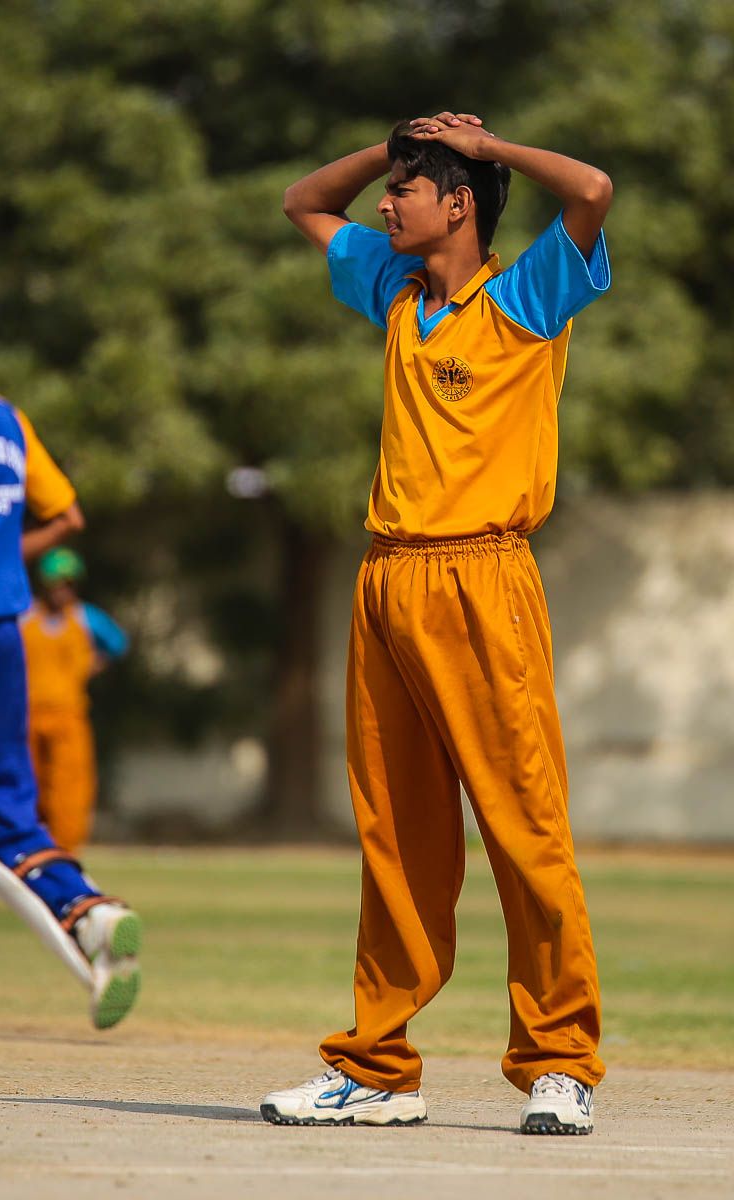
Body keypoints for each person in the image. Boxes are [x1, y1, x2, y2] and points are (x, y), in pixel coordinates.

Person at [261, 111, 612, 1134]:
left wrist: (489, 149)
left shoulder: (526, 295)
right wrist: (394, 144)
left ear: (458, 206)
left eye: (405, 189)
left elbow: (590, 189)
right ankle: (377, 1069)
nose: (384, 203)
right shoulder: (395, 289)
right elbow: (302, 201)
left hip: (484, 580)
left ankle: (560, 1063)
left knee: (524, 827)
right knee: (395, 835)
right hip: (387, 582)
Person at [0, 290, 141, 1037]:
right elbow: (67, 513)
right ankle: (90, 911)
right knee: (1, 809)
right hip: (0, 639)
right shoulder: (6, 419)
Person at [21, 548, 128, 854]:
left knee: (69, 788)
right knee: (29, 785)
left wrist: (92, 665)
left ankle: (64, 851)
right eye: (55, 583)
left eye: (67, 584)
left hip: (69, 714)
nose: (61, 590)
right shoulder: (25, 616)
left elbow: (118, 644)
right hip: (27, 716)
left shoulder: (85, 617)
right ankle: (28, 847)